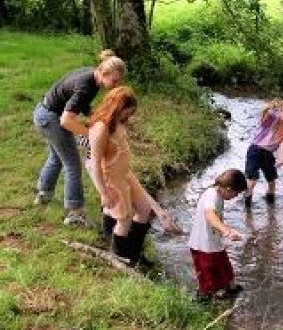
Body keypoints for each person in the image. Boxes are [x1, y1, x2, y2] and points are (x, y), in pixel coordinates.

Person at [88, 86, 182, 265]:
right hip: (112, 179)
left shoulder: (118, 123)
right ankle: (122, 258)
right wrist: (104, 193)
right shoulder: (100, 128)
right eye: (127, 112)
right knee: (124, 219)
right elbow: (95, 164)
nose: (128, 117)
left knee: (145, 209)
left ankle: (136, 252)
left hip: (125, 174)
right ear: (117, 107)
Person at [34, 49, 125, 226]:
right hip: (51, 118)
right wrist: (92, 136)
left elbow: (78, 102)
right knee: (73, 165)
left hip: (43, 113)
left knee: (56, 157)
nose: (116, 85)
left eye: (119, 81)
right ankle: (75, 213)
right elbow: (66, 120)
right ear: (104, 73)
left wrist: (95, 116)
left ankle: (44, 194)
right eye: (114, 81)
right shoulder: (86, 85)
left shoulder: (91, 76)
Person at [187, 169, 248, 302]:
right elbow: (210, 215)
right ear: (228, 189)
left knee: (226, 268)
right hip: (203, 245)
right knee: (208, 276)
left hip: (213, 242)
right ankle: (205, 301)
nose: (236, 197)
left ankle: (231, 290)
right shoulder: (212, 196)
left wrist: (223, 232)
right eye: (236, 193)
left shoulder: (218, 194)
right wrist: (227, 231)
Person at [243, 99, 283, 209]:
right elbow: (264, 113)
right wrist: (270, 106)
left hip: (268, 154)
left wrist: (282, 158)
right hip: (255, 150)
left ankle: (271, 209)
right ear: (280, 111)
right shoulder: (273, 118)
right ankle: (247, 208)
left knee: (272, 182)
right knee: (252, 181)